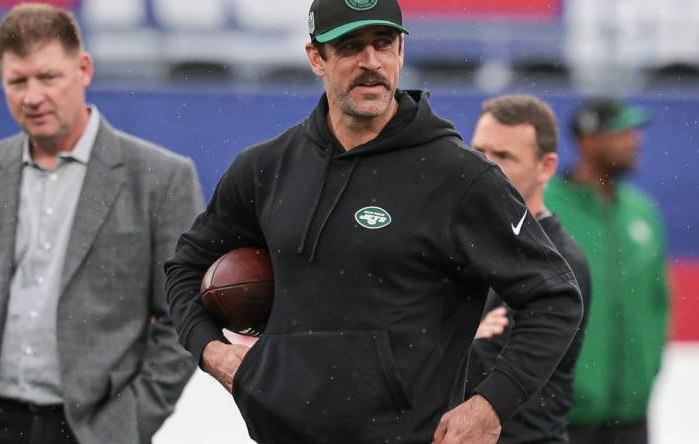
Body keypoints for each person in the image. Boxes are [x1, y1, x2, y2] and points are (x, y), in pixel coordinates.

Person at [165, 1, 582, 443]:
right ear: (315, 58)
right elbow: (185, 266)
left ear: (401, 49)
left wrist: (490, 406)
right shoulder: (267, 167)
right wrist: (213, 352)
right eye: (349, 46)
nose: (370, 62)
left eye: (383, 43)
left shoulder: (459, 176)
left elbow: (554, 298)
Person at [0, 4, 203, 444]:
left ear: (83, 69)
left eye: (48, 77)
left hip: (91, 430)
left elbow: (182, 318)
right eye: (17, 81)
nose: (32, 96)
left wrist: (126, 425)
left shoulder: (160, 178)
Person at [466, 95, 591, 443]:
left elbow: (482, 369)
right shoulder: (472, 244)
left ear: (546, 167)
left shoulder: (559, 262)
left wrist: (448, 338)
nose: (485, 167)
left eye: (503, 156)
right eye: (479, 151)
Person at [544, 98, 670, 444]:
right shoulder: (545, 208)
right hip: (564, 416)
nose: (635, 140)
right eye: (622, 133)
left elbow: (658, 302)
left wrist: (647, 371)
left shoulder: (643, 212)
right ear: (588, 141)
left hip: (632, 412)